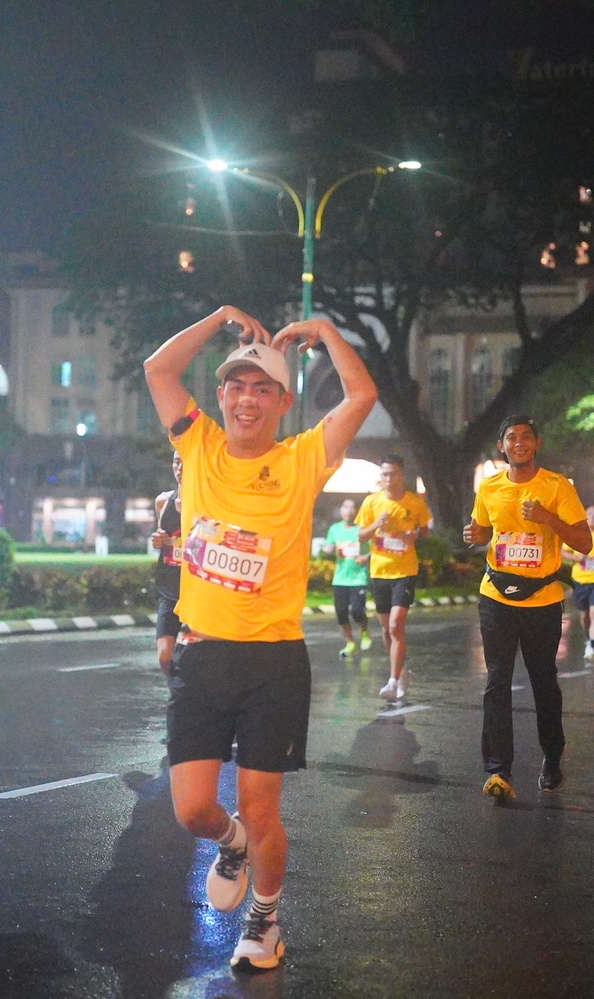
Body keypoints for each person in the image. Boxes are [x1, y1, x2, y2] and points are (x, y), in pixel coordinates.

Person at [143, 305, 376, 971]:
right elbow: (158, 369)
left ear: (282, 402)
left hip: (274, 662)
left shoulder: (305, 458)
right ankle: (232, 843)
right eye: (237, 386)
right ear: (220, 397)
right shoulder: (197, 446)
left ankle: (265, 920)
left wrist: (325, 332)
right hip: (202, 654)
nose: (247, 398)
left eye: (262, 389)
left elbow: (361, 395)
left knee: (261, 807)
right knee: (194, 811)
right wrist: (218, 316)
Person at [463, 415, 591, 800]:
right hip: (496, 595)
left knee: (543, 681)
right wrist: (475, 534)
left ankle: (552, 757)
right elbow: (483, 530)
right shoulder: (489, 487)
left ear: (536, 444)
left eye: (525, 437)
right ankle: (498, 770)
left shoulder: (557, 486)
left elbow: (584, 542)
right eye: (511, 438)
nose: (518, 443)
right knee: (497, 680)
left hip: (543, 599)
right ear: (501, 446)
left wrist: (547, 518)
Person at [355, 456, 431, 702]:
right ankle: (400, 670)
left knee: (396, 625)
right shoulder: (371, 502)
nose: (388, 479)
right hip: (379, 572)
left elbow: (424, 531)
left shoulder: (414, 502)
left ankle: (392, 681)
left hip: (404, 571)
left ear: (402, 475)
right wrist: (376, 524)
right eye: (385, 474)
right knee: (387, 631)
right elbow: (361, 536)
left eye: (393, 474)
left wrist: (414, 534)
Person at [322, 498, 372, 657]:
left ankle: (364, 631)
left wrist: (365, 557)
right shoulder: (335, 529)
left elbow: (375, 548)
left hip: (358, 578)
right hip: (340, 579)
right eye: (345, 507)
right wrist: (328, 549)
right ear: (341, 510)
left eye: (352, 508)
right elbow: (329, 545)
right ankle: (350, 643)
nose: (349, 511)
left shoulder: (362, 529)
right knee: (341, 613)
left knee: (357, 611)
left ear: (357, 511)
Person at [151, 451, 183, 675]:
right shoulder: (163, 502)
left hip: (198, 593)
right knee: (164, 656)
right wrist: (157, 540)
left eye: (185, 463)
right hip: (170, 591)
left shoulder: (208, 504)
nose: (180, 468)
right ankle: (177, 689)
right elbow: (161, 537)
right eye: (176, 462)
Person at [562, 504, 594, 662]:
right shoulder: (578, 534)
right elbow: (563, 551)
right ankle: (588, 639)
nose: (593, 517)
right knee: (585, 616)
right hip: (581, 581)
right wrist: (577, 558)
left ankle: (592, 645)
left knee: (593, 613)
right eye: (590, 514)